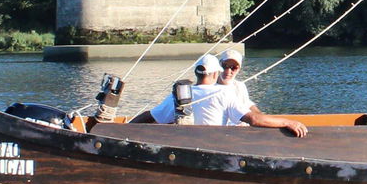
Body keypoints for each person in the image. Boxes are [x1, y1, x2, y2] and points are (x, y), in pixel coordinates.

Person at [132, 52, 308, 137]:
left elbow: (148, 116)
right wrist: (287, 122)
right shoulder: (224, 93)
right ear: (216, 73)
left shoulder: (179, 95)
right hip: (216, 145)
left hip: (187, 144)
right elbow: (254, 120)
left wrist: (120, 131)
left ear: (197, 73)